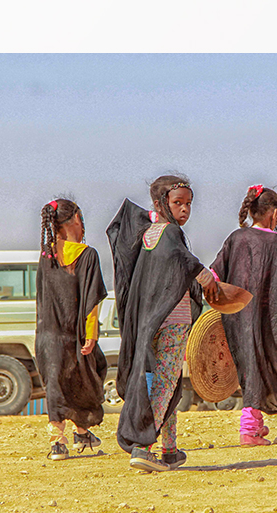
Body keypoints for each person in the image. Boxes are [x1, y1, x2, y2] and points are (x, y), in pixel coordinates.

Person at [107, 174, 219, 472]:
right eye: (178, 202)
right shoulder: (169, 233)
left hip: (149, 321)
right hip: (173, 321)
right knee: (167, 383)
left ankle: (170, 449)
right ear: (160, 204)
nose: (184, 209)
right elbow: (181, 259)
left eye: (188, 203)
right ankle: (143, 448)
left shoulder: (147, 234)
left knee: (165, 384)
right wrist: (205, 277)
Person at [209, 185, 277, 446]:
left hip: (237, 316)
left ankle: (254, 423)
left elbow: (215, 272)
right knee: (263, 363)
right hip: (267, 318)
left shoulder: (235, 238)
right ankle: (248, 430)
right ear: (275, 213)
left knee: (249, 366)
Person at [35, 196, 108, 461]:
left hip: (46, 335)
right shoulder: (87, 255)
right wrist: (91, 334)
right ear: (76, 218)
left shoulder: (47, 255)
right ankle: (75, 434)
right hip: (74, 334)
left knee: (56, 383)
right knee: (86, 376)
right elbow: (90, 300)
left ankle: (67, 437)